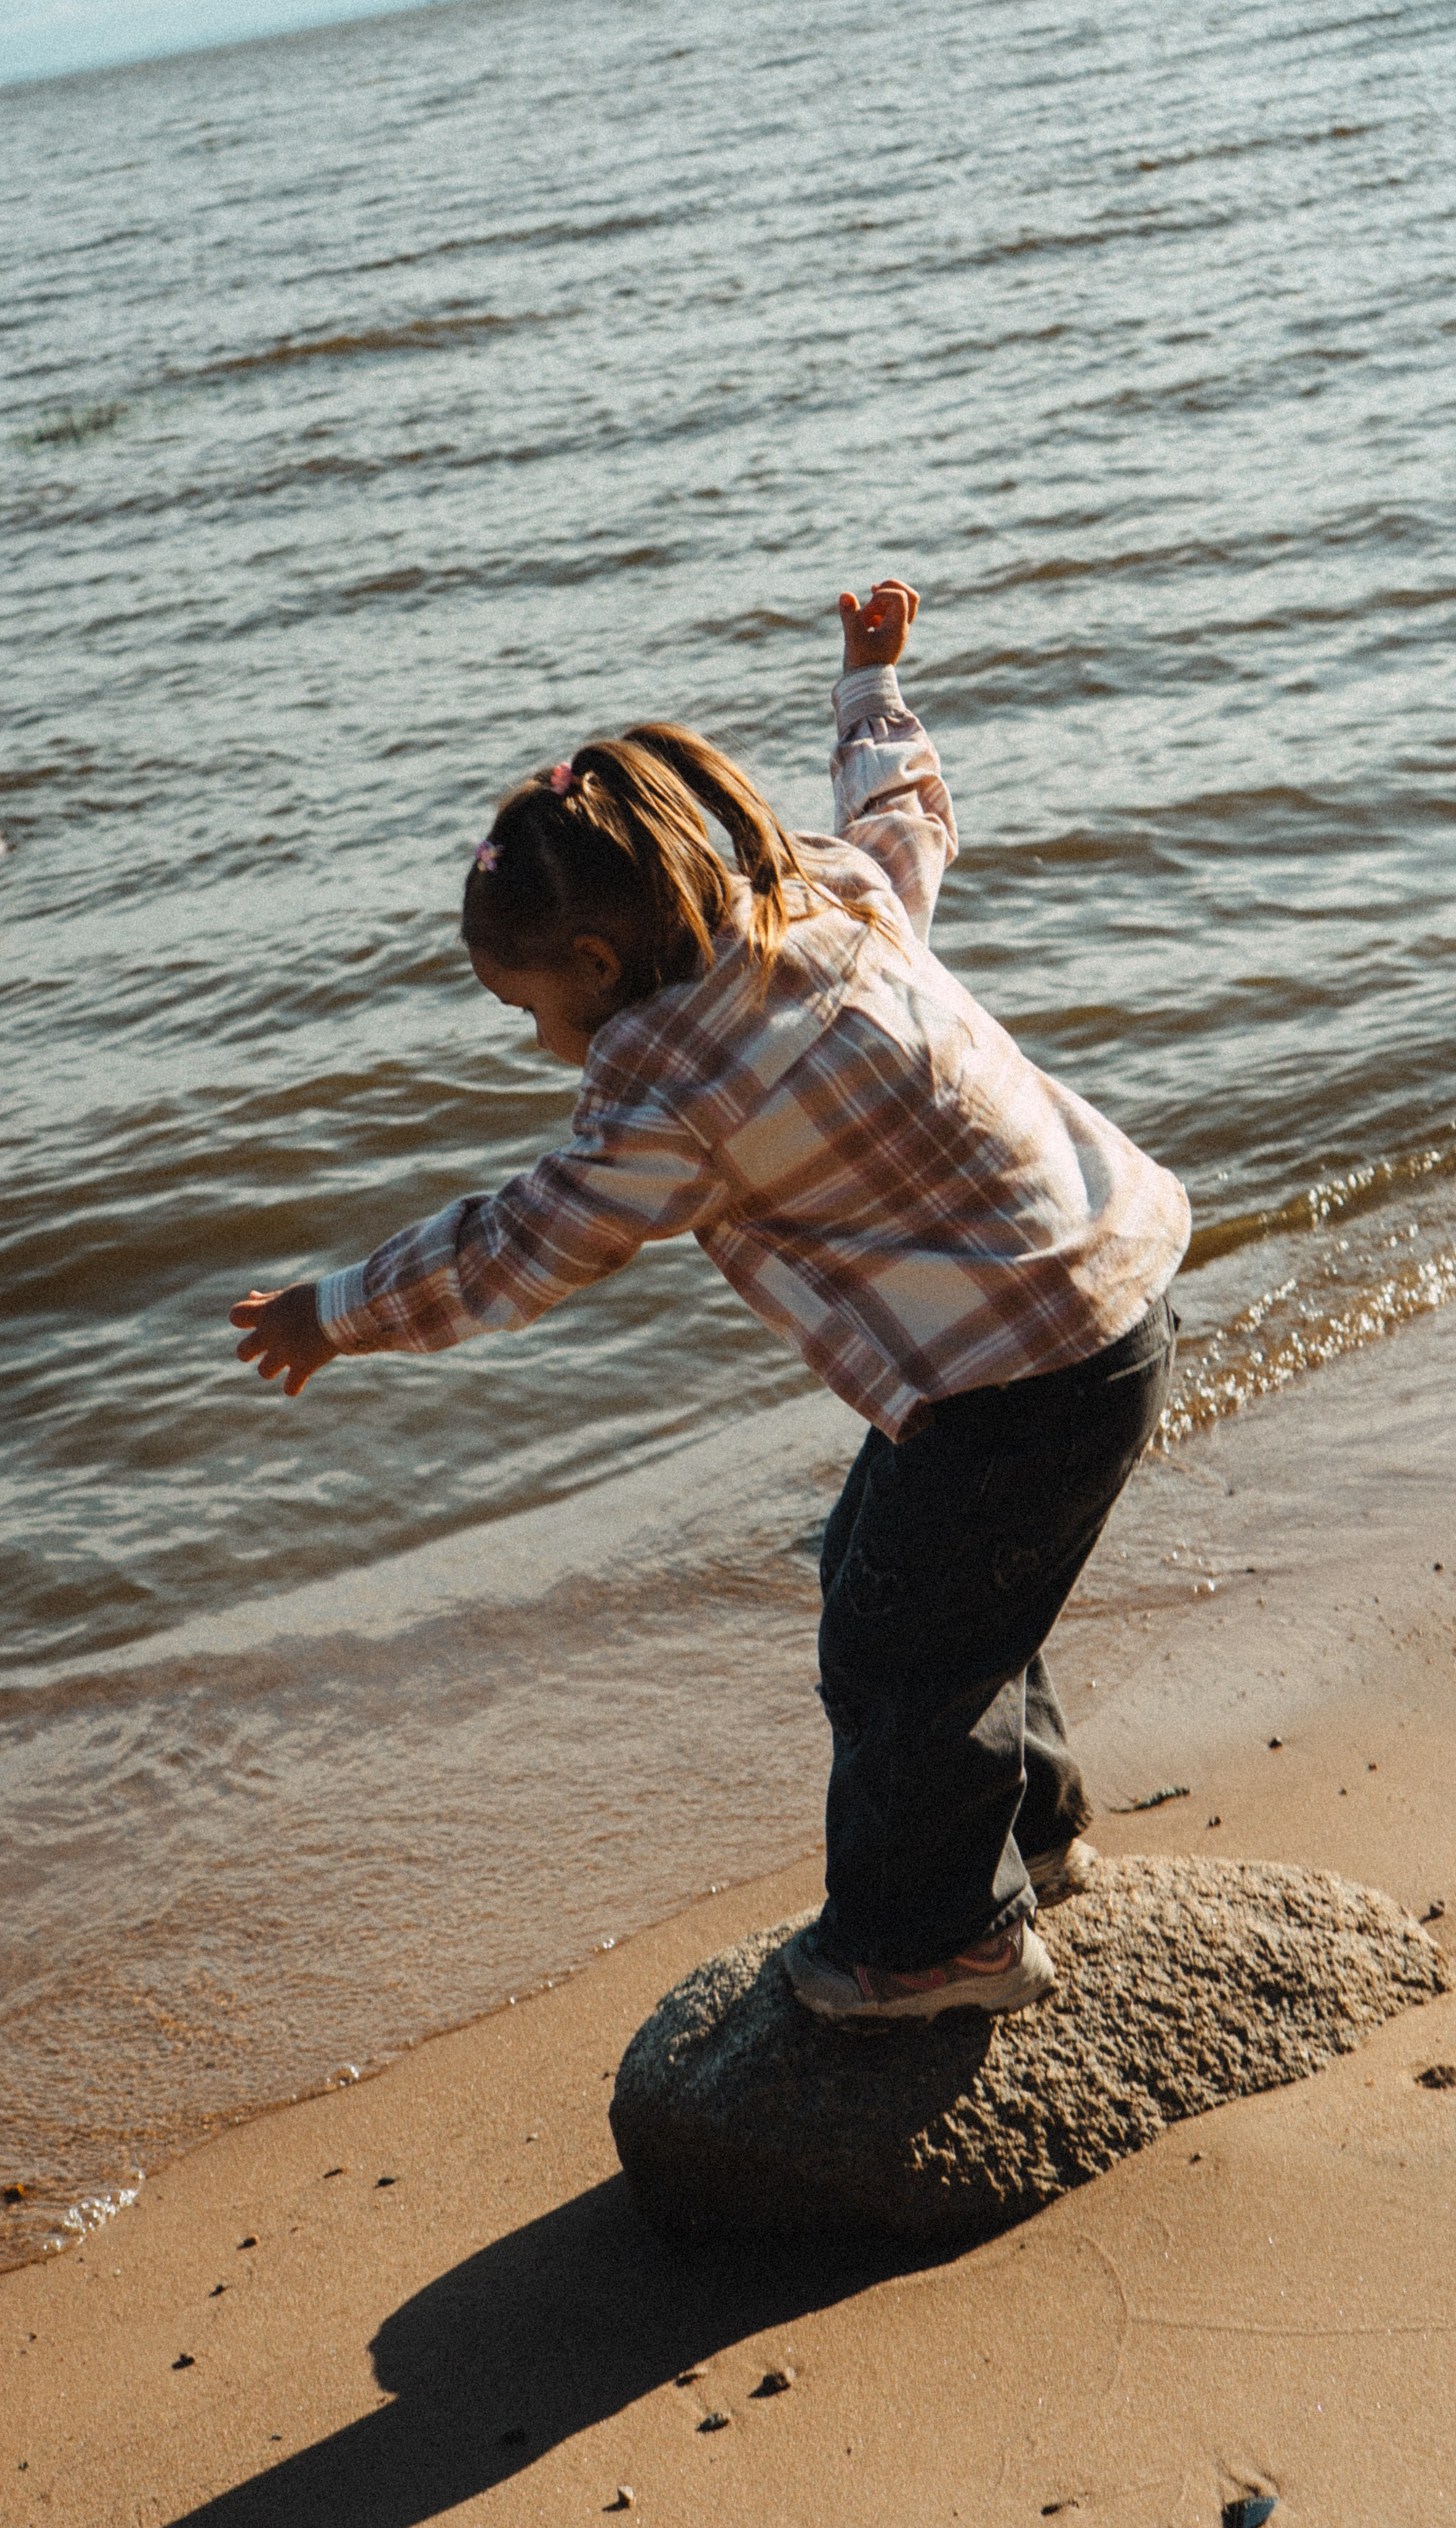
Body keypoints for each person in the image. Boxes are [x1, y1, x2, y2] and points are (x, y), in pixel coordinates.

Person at [230, 579, 1189, 2023]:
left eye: (529, 1012)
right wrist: (869, 688)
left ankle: (933, 1946)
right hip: (1102, 1303)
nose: (538, 1044)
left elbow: (517, 1247)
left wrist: (337, 1312)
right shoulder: (821, 898)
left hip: (1014, 1380)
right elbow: (907, 817)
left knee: (892, 1651)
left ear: (596, 966)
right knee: (919, 1588)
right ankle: (1029, 1839)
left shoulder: (666, 1094)